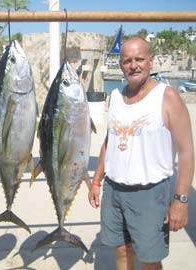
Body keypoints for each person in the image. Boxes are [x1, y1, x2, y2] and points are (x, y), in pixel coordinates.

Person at [88, 37, 194, 270]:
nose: (133, 65)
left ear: (151, 61)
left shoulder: (168, 97)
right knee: (122, 251)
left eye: (139, 59)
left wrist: (181, 201)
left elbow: (187, 153)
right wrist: (96, 180)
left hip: (150, 194)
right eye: (127, 60)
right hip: (114, 191)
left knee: (150, 260)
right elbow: (110, 140)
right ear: (120, 64)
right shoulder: (115, 97)